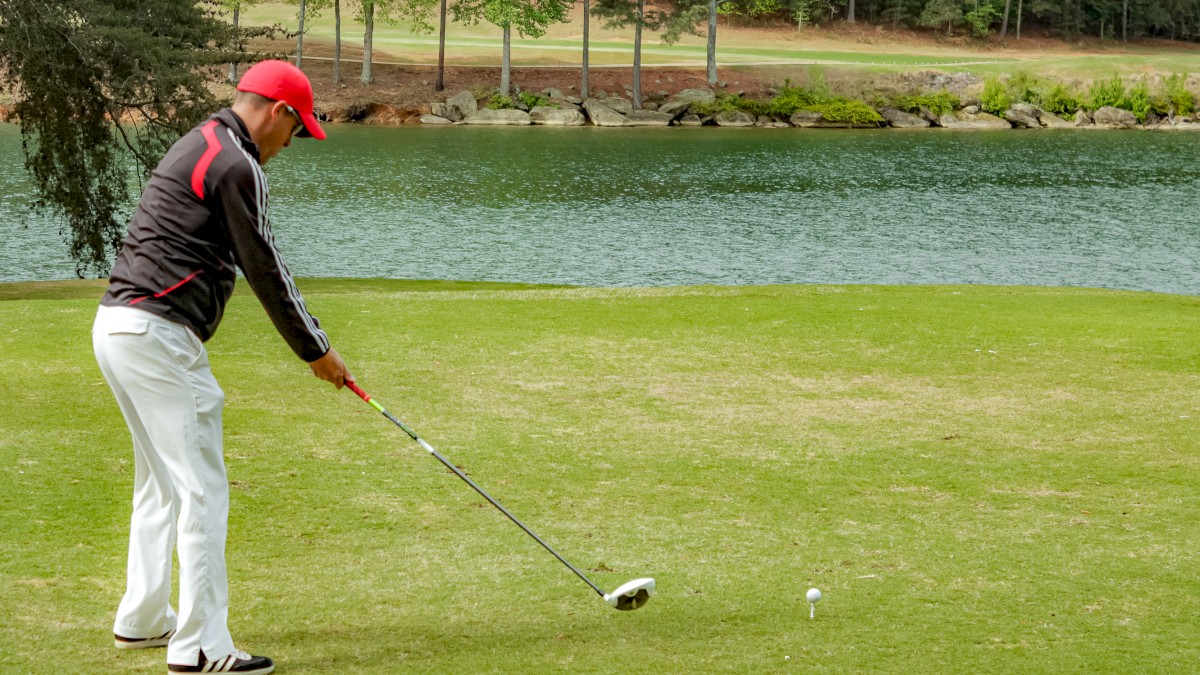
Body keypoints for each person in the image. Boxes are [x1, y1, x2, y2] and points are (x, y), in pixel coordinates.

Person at [92, 60, 350, 675]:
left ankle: (144, 617)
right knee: (203, 490)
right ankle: (202, 647)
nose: (292, 143)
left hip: (117, 327)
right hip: (158, 335)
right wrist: (316, 350)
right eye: (297, 129)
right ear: (279, 111)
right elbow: (265, 267)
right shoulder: (238, 164)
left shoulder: (201, 140)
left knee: (161, 482)